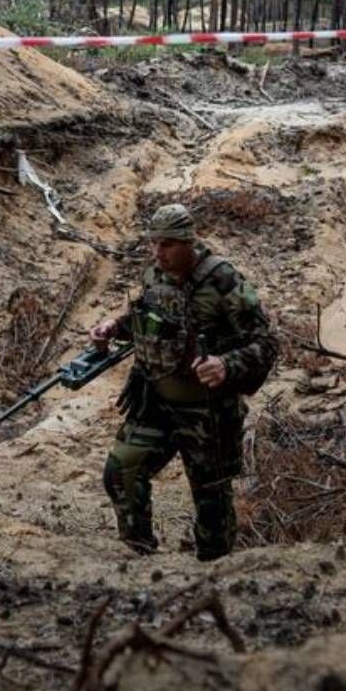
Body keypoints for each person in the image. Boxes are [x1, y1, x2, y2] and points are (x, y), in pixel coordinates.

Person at [90, 204, 276, 560]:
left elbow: (266, 343)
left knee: (211, 501)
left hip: (207, 412)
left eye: (168, 245)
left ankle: (214, 570)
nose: (158, 253)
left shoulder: (223, 281)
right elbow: (148, 319)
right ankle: (139, 557)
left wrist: (227, 364)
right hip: (155, 401)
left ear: (188, 242)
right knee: (120, 471)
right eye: (154, 244)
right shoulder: (154, 275)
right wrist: (115, 327)